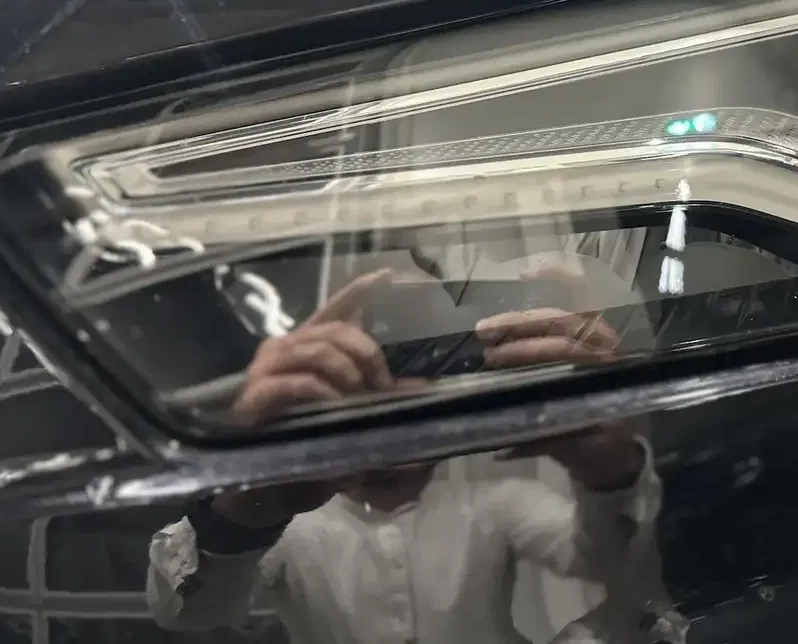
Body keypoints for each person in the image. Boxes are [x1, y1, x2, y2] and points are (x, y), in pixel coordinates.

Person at [146, 266, 662, 644]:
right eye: (388, 351)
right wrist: (250, 502)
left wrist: (611, 468)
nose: (406, 391)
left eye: (436, 356)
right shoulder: (294, 528)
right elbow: (188, 612)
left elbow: (607, 564)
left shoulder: (492, 505)